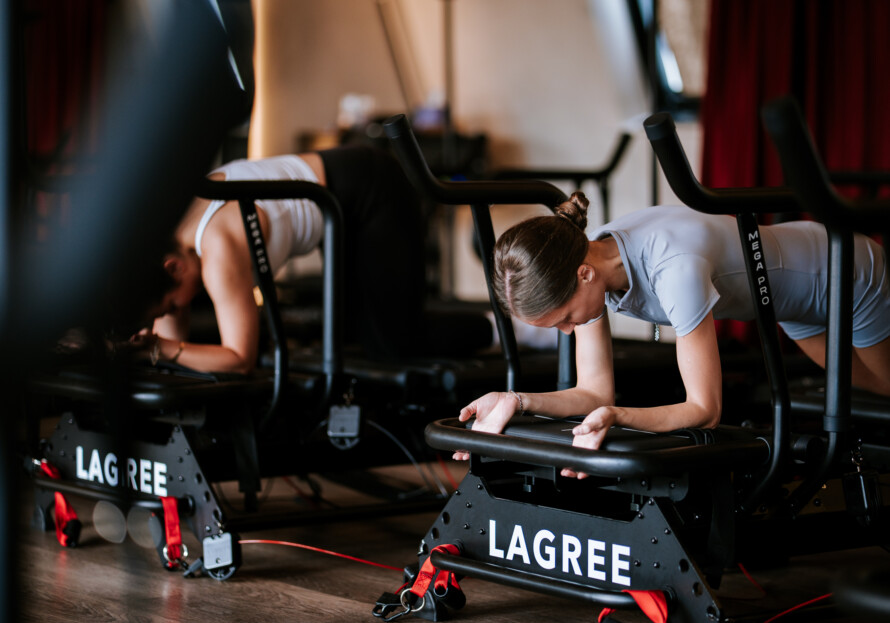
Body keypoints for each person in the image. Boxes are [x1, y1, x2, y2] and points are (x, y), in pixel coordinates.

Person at [457, 192, 890, 476]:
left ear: (583, 275)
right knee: (864, 388)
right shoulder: (593, 258)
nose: (569, 331)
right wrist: (517, 401)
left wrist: (620, 416)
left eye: (565, 319)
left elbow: (705, 409)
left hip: (846, 273)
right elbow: (593, 392)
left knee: (886, 388)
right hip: (793, 308)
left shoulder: (674, 266)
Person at [130, 145, 429, 373]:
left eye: (171, 305)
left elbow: (239, 359)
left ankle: (478, 328)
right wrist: (146, 347)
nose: (175, 310)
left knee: (391, 345)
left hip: (374, 189)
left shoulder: (217, 248)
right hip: (338, 197)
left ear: (175, 267)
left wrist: (158, 348)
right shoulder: (171, 240)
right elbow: (167, 344)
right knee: (352, 332)